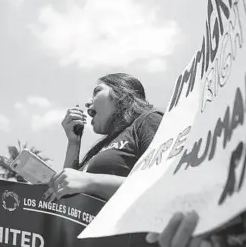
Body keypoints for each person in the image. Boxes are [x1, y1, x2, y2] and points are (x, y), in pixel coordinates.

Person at [45, 73, 163, 202]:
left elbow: (161, 184)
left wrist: (91, 182)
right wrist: (73, 143)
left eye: (97, 91)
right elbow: (68, 195)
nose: (87, 102)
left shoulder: (147, 120)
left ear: (121, 93)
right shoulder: (99, 148)